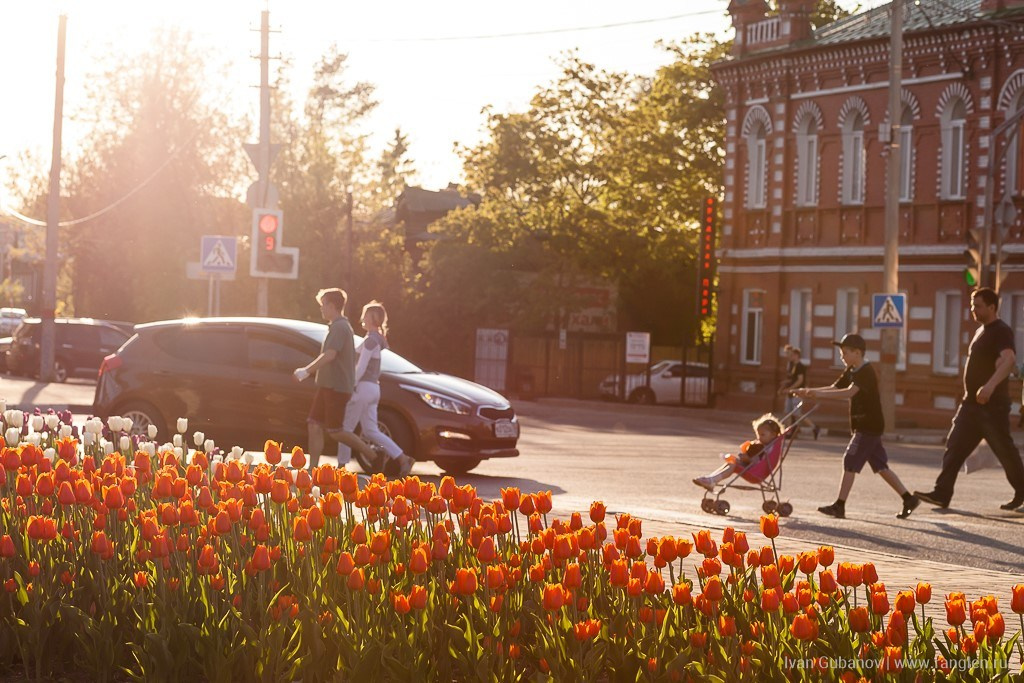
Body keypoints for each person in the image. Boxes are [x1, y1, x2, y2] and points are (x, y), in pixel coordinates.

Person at [915, 287, 1024, 511]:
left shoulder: (1001, 330)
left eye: (978, 306)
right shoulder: (981, 330)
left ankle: (1022, 491)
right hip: (971, 405)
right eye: (973, 305)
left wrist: (990, 386)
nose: (973, 309)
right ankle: (942, 493)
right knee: (954, 446)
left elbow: (1009, 359)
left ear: (992, 307)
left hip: (991, 406)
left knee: (1005, 451)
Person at [793, 333, 919, 519]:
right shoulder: (852, 369)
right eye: (841, 353)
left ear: (857, 353)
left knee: (850, 460)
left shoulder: (866, 371)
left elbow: (849, 392)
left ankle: (839, 505)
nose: (842, 356)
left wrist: (818, 395)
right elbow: (836, 387)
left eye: (845, 352)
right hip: (865, 424)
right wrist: (809, 391)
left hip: (868, 425)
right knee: (881, 467)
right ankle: (909, 499)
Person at [293, 288, 377, 470]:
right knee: (314, 425)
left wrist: (306, 371)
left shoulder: (340, 327)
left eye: (323, 305)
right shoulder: (337, 326)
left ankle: (372, 454)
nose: (321, 308)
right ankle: (312, 469)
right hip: (327, 385)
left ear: (332, 306)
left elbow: (330, 354)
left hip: (337, 387)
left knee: (336, 431)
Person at [338, 300, 416, 477]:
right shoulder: (376, 340)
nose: (362, 318)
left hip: (362, 388)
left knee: (344, 429)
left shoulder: (370, 341)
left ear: (372, 318)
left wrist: (351, 385)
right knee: (370, 430)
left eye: (365, 315)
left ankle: (341, 467)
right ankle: (402, 458)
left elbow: (361, 367)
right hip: (374, 389)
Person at [692, 413, 784, 490]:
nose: (759, 438)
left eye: (762, 435)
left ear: (773, 435)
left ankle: (712, 480)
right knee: (731, 462)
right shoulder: (764, 445)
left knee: (733, 465)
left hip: (756, 473)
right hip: (751, 468)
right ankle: (711, 478)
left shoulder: (770, 448)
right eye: (758, 435)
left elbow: (759, 462)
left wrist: (748, 459)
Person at [777, 345, 820, 439]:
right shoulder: (792, 365)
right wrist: (783, 387)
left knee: (796, 413)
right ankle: (790, 432)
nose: (789, 356)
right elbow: (791, 379)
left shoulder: (800, 366)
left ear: (796, 355)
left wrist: (790, 389)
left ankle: (814, 427)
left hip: (798, 393)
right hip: (791, 393)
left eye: (791, 354)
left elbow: (800, 380)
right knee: (788, 413)